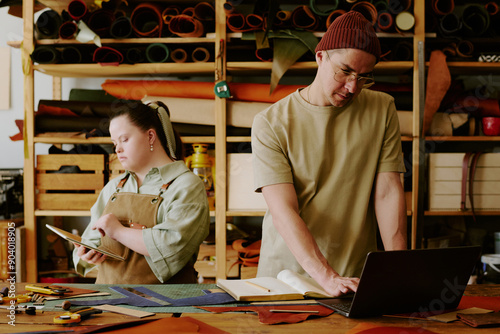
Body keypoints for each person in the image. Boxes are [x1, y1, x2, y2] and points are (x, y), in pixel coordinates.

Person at [251, 11, 407, 297]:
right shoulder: (270, 122)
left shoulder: (382, 108)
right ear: (320, 57)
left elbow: (388, 192)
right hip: (288, 279)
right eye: (345, 71)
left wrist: (397, 269)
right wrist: (326, 276)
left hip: (357, 275)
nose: (352, 87)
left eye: (363, 77)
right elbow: (283, 211)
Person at [73, 101, 210, 284]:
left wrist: (118, 231)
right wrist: (87, 253)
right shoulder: (113, 188)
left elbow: (171, 245)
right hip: (109, 303)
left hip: (168, 306)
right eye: (114, 143)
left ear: (151, 136)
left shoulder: (186, 186)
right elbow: (91, 238)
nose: (117, 149)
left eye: (124, 139)